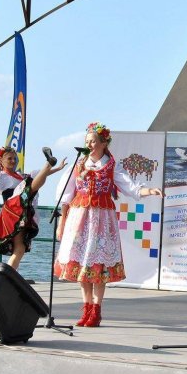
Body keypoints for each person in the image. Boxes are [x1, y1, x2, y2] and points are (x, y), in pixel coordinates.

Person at [54, 122, 164, 327]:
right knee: (80, 264)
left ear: (104, 143)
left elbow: (130, 186)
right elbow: (66, 195)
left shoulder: (112, 165)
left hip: (102, 219)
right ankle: (86, 307)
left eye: (93, 141)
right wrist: (62, 222)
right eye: (87, 141)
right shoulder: (79, 164)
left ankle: (96, 310)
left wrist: (148, 191)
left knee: (98, 264)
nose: (89, 144)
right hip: (79, 218)